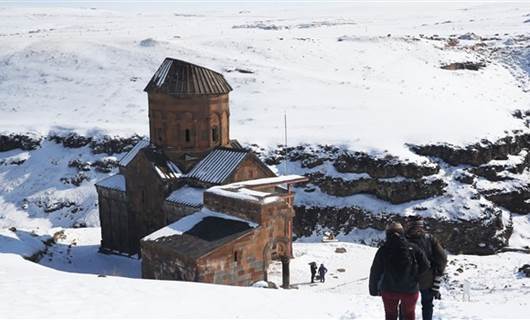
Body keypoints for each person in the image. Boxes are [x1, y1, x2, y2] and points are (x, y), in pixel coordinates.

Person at [369, 222, 430, 320]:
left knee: (390, 315)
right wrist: (415, 276)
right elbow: (426, 265)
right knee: (409, 314)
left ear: (387, 234)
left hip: (388, 290)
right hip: (410, 290)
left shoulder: (383, 249)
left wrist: (373, 290)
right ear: (402, 232)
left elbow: (375, 271)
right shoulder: (413, 248)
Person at [403, 216, 447, 320]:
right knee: (427, 304)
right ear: (422, 225)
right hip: (427, 278)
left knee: (405, 306)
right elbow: (442, 258)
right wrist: (438, 274)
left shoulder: (402, 239)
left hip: (407, 279)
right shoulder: (430, 239)